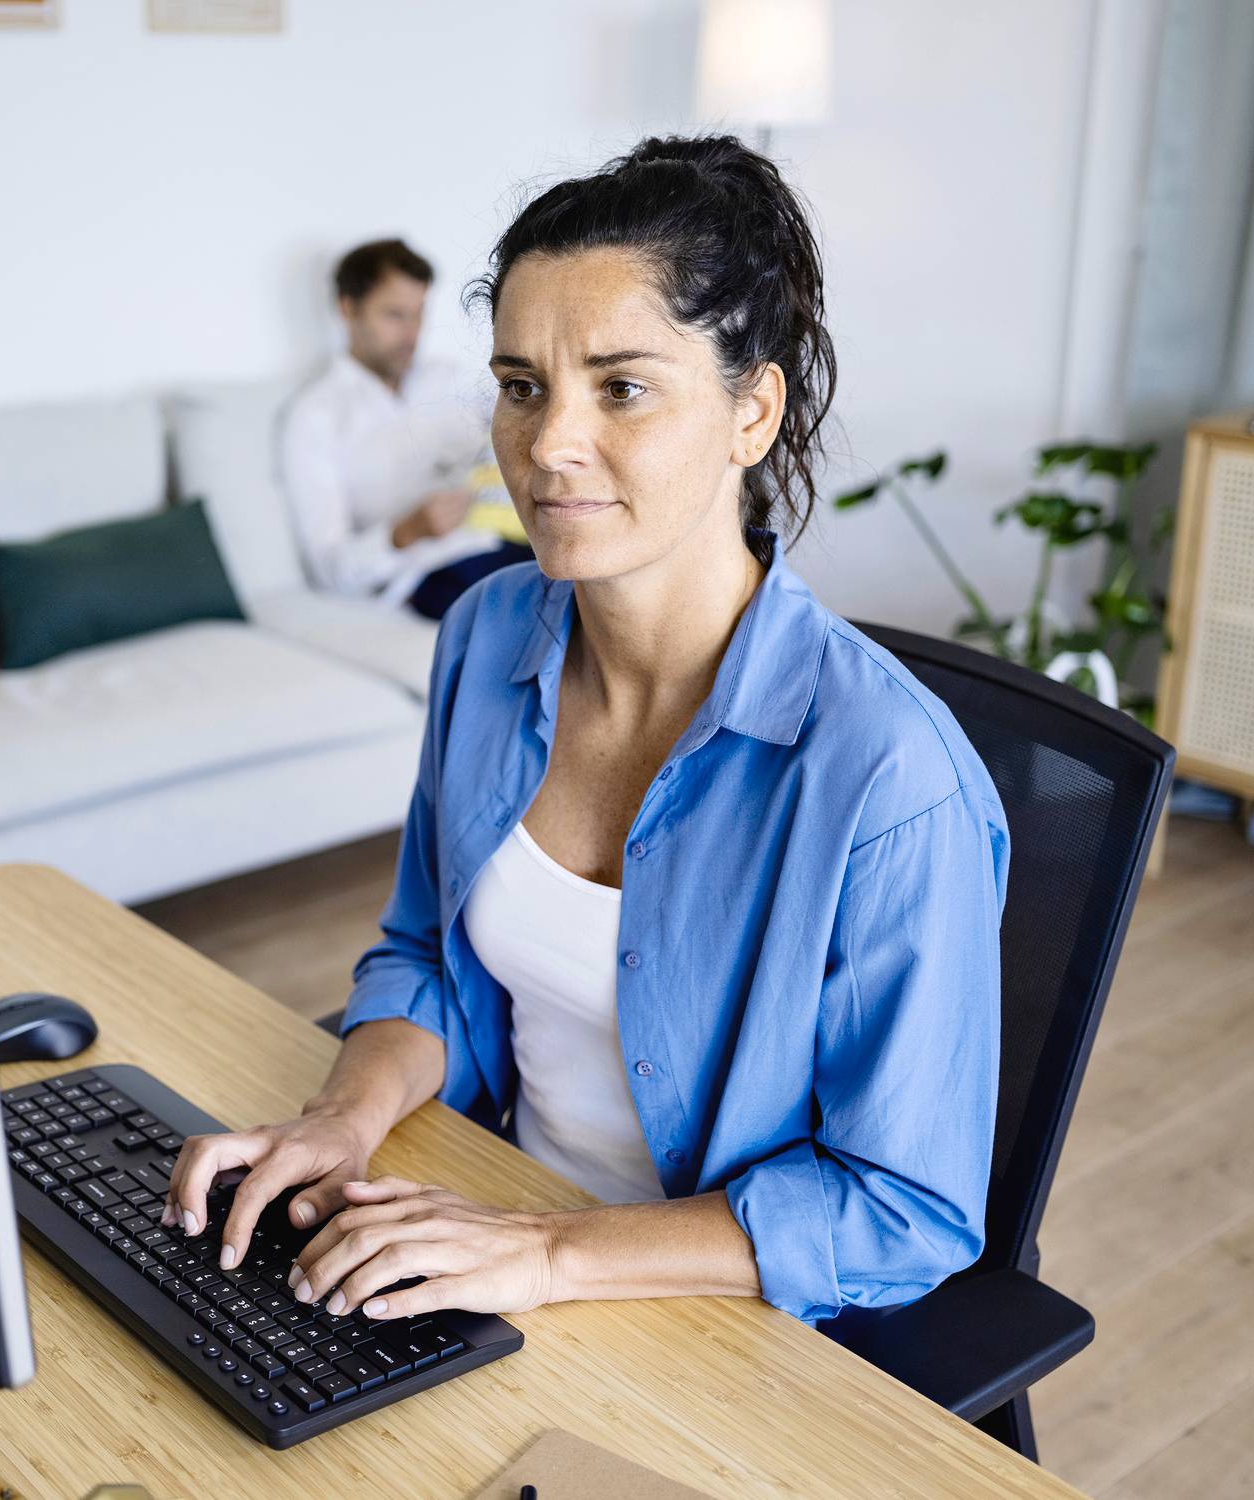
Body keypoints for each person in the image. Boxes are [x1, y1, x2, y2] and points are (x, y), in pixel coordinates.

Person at [166, 135, 1008, 1329]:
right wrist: (341, 1120)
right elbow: (427, 959)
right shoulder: (484, 635)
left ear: (750, 412)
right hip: (480, 1220)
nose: (546, 444)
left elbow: (899, 1209)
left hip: (702, 1307)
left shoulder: (887, 777)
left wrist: (548, 1253)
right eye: (521, 386)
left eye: (619, 387)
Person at [278, 238, 534, 620]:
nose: (412, 333)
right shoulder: (316, 416)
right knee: (551, 601)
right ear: (348, 309)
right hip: (430, 572)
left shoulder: (452, 380)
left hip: (512, 540)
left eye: (418, 314)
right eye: (395, 315)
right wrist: (406, 532)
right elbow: (328, 570)